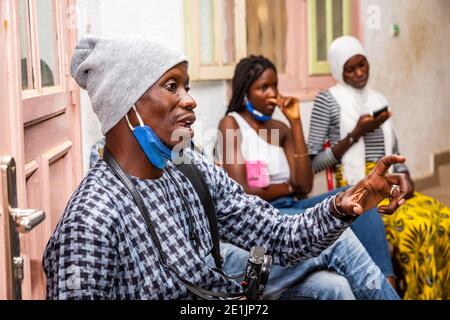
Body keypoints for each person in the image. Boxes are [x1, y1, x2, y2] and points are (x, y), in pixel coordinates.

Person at [43, 37, 410, 300]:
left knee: (332, 288)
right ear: (127, 104)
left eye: (186, 86)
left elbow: (278, 235)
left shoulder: (192, 168)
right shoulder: (90, 222)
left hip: (224, 292)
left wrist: (349, 201)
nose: (189, 99)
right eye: (172, 86)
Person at [216, 55, 395, 286]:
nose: (272, 94)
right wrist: (287, 187)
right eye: (263, 88)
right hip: (265, 217)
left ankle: (387, 282)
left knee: (360, 196)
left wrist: (296, 122)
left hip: (296, 206)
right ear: (245, 92)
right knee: (338, 233)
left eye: (275, 86)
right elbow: (242, 191)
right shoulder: (230, 124)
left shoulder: (280, 128)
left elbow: (304, 184)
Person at [308, 36, 450, 300]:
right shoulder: (327, 101)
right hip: (357, 189)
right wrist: (356, 133)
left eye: (363, 65)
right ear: (338, 70)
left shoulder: (378, 99)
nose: (359, 73)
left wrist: (406, 183)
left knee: (443, 218)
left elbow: (395, 155)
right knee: (416, 227)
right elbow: (313, 163)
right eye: (350, 69)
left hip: (389, 183)